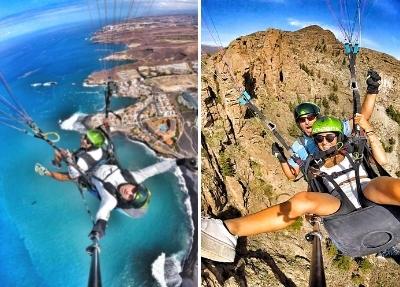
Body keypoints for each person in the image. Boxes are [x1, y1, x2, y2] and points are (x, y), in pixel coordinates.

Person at [202, 114, 400, 263]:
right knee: (302, 199)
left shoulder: (355, 152)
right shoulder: (315, 166)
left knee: (386, 184)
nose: (324, 143)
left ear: (339, 136)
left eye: (329, 137)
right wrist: (311, 209)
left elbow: (381, 160)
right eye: (319, 139)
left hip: (369, 191)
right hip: (340, 205)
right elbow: (312, 190)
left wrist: (369, 130)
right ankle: (227, 231)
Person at [39, 152, 196, 239]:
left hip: (85, 174)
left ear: (124, 200)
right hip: (100, 162)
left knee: (67, 173)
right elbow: (156, 169)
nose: (129, 191)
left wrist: (99, 229)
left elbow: (103, 213)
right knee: (74, 151)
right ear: (136, 185)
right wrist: (181, 162)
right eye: (133, 190)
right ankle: (57, 160)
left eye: (129, 196)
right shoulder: (135, 177)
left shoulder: (111, 199)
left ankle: (48, 173)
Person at [272, 70, 381, 180]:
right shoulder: (299, 146)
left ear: (317, 118)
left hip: (349, 171)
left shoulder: (333, 128)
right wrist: (282, 159)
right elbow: (292, 175)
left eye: (310, 118)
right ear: (298, 123)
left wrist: (372, 91)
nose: (306, 122)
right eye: (302, 120)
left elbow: (361, 118)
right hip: (325, 183)